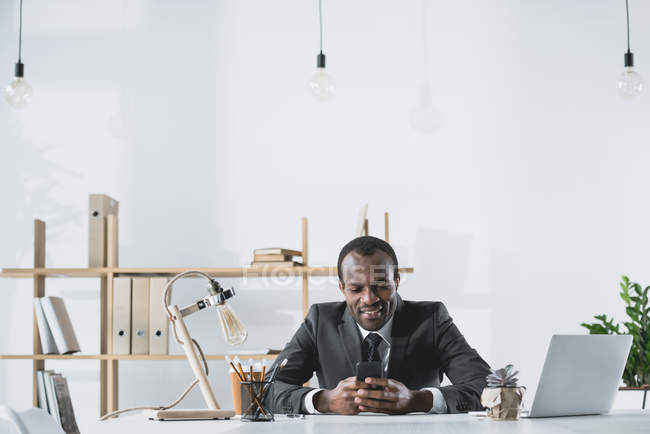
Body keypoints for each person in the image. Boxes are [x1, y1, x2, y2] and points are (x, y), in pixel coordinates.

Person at [265, 236, 491, 415]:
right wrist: (323, 400)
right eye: (356, 289)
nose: (369, 299)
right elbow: (264, 392)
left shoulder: (431, 318)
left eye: (381, 285)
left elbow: (486, 387)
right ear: (342, 289)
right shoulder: (320, 321)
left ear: (397, 281)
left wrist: (417, 400)